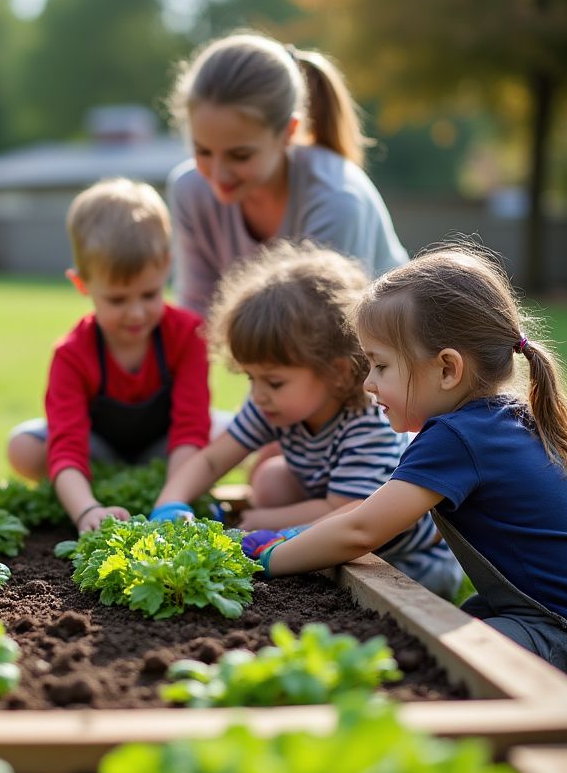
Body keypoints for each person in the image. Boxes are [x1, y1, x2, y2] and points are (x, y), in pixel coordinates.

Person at [241, 244, 567, 679]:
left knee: (430, 664)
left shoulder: (458, 436)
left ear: (447, 370)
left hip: (562, 630)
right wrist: (291, 536)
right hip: (543, 614)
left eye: (381, 366)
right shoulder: (501, 419)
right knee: (435, 635)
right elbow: (363, 517)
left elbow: (362, 529)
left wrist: (267, 557)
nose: (368, 384)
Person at [151, 241, 462, 599]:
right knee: (269, 480)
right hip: (337, 519)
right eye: (251, 378)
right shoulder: (273, 405)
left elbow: (347, 511)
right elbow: (212, 458)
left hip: (409, 559)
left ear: (337, 373)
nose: (258, 394)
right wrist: (170, 502)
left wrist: (261, 524)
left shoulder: (368, 420)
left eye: (274, 381)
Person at [7, 177, 212, 533]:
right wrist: (87, 510)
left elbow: (190, 429)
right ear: (82, 284)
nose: (136, 314)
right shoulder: (72, 354)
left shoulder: (188, 335)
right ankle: (94, 484)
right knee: (23, 447)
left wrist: (171, 501)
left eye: (149, 295)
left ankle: (161, 482)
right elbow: (67, 444)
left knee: (229, 439)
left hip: (165, 449)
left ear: (166, 266)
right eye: (117, 300)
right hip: (98, 447)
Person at [166, 29, 409, 319]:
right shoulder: (189, 190)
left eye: (240, 155)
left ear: (288, 133)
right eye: (203, 151)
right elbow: (197, 311)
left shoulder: (337, 199)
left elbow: (324, 335)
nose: (218, 174)